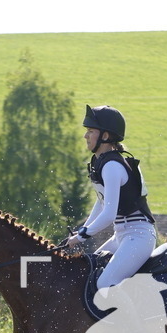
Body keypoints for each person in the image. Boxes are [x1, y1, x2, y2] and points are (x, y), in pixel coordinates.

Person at [67, 105, 157, 290]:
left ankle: (134, 320)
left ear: (105, 136)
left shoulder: (112, 166)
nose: (86, 136)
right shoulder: (102, 163)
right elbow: (101, 203)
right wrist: (83, 229)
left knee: (105, 283)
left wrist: (82, 236)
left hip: (138, 235)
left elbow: (109, 214)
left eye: (90, 131)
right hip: (121, 235)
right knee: (89, 274)